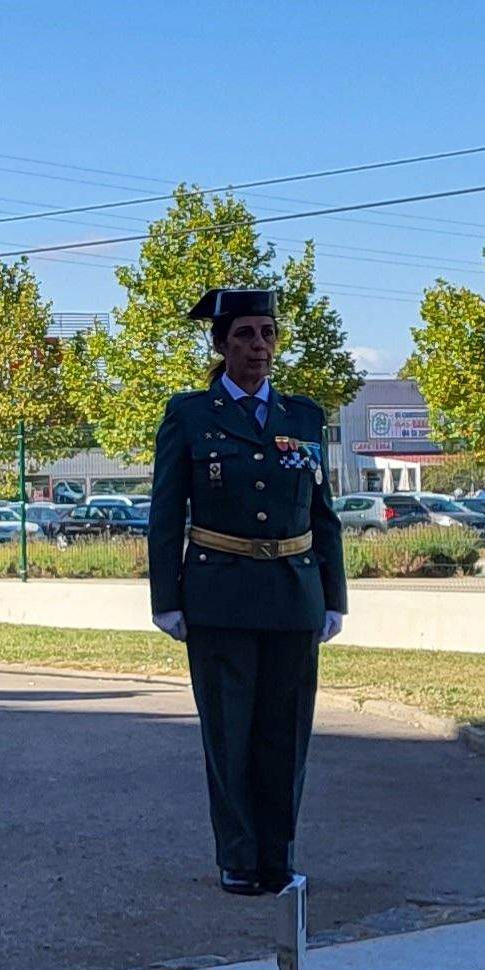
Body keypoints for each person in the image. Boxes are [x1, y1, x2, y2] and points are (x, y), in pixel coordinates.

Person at [144, 287, 349, 895]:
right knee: (228, 733)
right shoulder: (190, 415)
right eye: (244, 336)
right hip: (220, 592)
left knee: (285, 734)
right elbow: (165, 511)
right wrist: (167, 598)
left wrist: (334, 596)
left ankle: (277, 856)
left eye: (267, 334)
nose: (258, 347)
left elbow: (322, 512)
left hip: (292, 591)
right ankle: (238, 857)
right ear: (221, 344)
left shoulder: (303, 417)